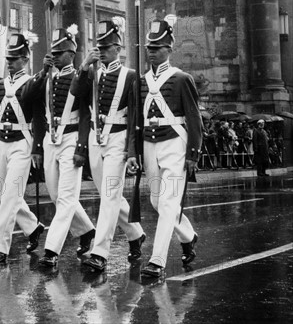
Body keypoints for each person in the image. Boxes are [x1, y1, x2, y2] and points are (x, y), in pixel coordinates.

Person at [127, 17, 202, 279]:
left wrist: (193, 153)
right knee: (156, 200)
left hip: (175, 142)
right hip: (149, 143)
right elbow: (136, 120)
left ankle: (157, 261)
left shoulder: (181, 78)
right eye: (149, 47)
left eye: (157, 47)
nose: (151, 52)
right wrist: (132, 152)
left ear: (169, 49)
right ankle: (189, 236)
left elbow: (194, 119)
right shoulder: (140, 81)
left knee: (169, 201)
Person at [72, 17, 145, 273]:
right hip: (95, 137)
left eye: (106, 47)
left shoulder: (131, 75)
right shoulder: (92, 73)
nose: (101, 51)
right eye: (99, 47)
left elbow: (136, 117)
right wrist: (82, 67)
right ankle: (135, 234)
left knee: (111, 194)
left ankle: (100, 253)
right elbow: (75, 97)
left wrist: (134, 150)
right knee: (108, 195)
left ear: (118, 48)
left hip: (118, 138)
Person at [0, 33, 46, 265]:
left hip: (22, 142)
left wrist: (37, 147)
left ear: (25, 60)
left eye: (15, 58)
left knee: (10, 196)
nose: (10, 62)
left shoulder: (32, 84)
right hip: (0, 142)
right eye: (9, 58)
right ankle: (33, 227)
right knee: (5, 193)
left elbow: (39, 118)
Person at [32, 25, 96, 267]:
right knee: (57, 195)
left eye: (59, 53)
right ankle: (87, 230)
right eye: (53, 53)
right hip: (51, 138)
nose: (55, 56)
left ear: (71, 53)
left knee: (67, 197)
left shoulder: (80, 76)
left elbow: (85, 115)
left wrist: (82, 147)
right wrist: (37, 146)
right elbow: (35, 107)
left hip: (71, 138)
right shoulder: (47, 77)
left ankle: (51, 250)